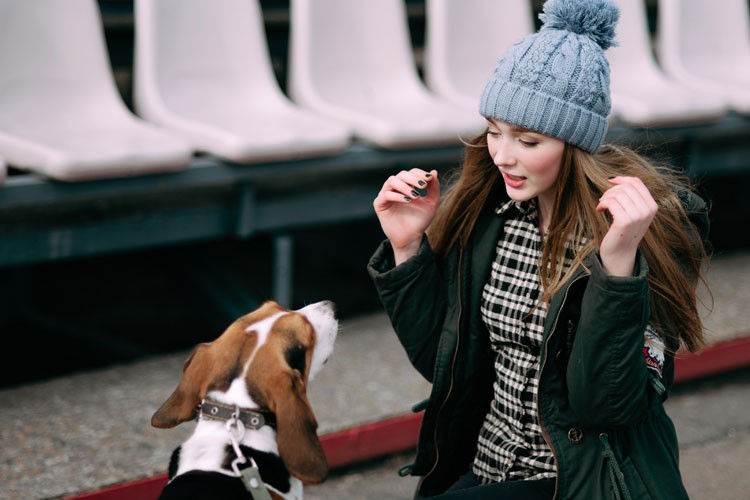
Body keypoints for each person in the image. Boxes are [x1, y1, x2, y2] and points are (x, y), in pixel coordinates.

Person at [367, 0, 711, 498]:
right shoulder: (491, 218)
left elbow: (607, 406)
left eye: (528, 140)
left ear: (575, 143)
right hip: (485, 468)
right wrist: (407, 250)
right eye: (493, 132)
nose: (503, 155)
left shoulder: (645, 231)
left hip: (577, 481)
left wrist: (617, 269)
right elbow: (445, 365)